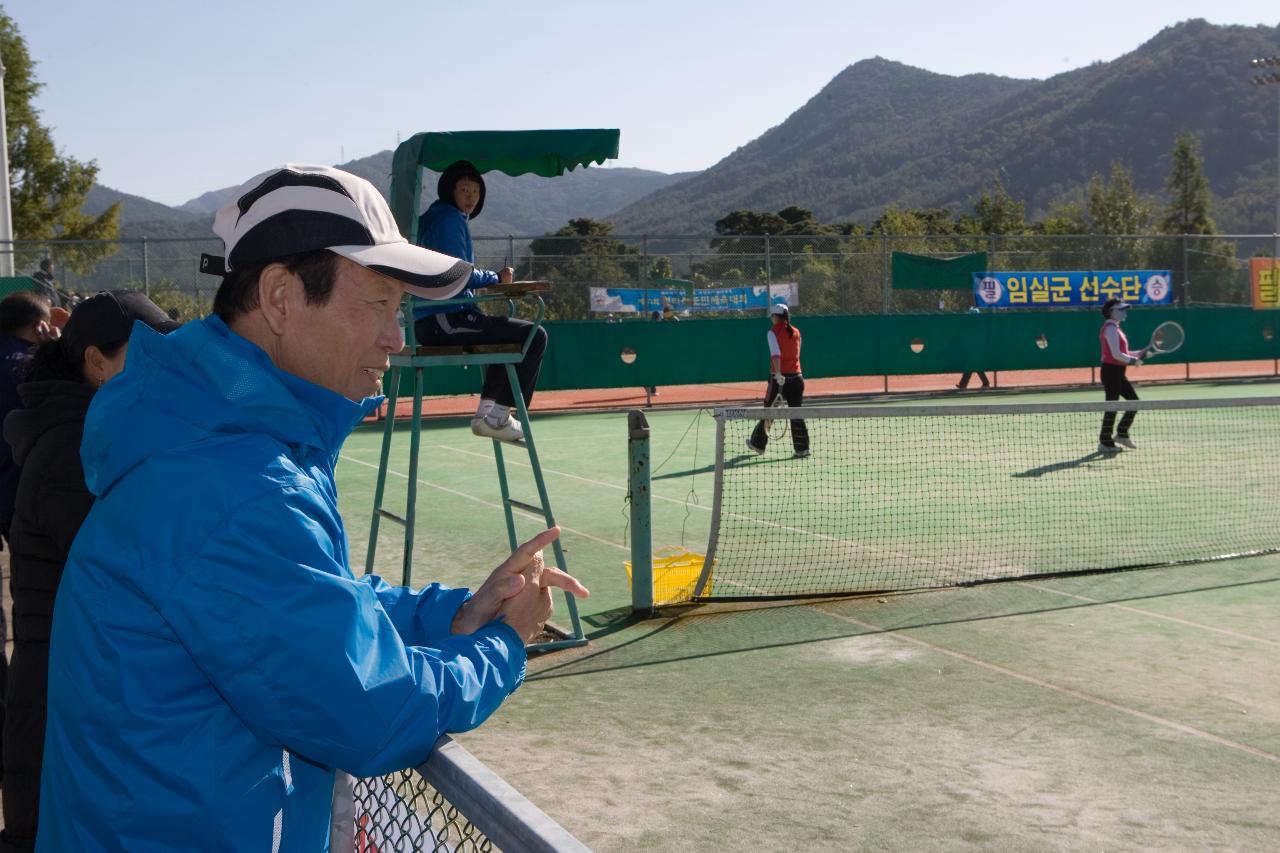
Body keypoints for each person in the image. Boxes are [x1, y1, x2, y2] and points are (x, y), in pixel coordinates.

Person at [37, 164, 589, 851]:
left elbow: (314, 607)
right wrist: (499, 646)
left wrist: (457, 615)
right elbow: (369, 708)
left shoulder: (227, 442)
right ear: (280, 298)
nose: (397, 337)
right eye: (381, 302)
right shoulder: (233, 482)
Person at [1, 291, 180, 850]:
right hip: (61, 707)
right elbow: (145, 568)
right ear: (95, 362)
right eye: (143, 355)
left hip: (75, 694)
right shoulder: (72, 448)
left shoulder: (90, 436)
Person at [413, 160, 547, 443]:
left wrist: (490, 280)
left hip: (434, 318)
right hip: (443, 319)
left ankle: (487, 416)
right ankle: (498, 417)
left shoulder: (437, 217)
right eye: (464, 189)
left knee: (505, 336)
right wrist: (494, 277)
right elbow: (456, 272)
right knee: (534, 335)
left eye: (475, 190)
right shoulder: (447, 218)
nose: (471, 196)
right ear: (450, 191)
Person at [747, 303, 810, 458]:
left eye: (772, 316)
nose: (771, 319)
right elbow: (797, 354)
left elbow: (776, 354)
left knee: (768, 411)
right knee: (796, 413)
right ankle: (802, 449)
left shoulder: (772, 332)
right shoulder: (797, 332)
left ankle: (757, 444)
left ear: (776, 316)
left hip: (779, 379)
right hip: (797, 378)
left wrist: (779, 374)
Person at [1097, 298, 1148, 453]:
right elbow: (1116, 354)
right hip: (1111, 371)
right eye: (1121, 310)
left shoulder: (1116, 328)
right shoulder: (1110, 328)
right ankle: (1105, 442)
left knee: (1133, 402)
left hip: (1118, 371)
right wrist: (1133, 360)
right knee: (1112, 406)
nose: (1125, 312)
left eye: (1125, 310)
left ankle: (1121, 434)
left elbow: (1123, 353)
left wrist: (1139, 353)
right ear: (1111, 312)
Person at [955, 307, 990, 389]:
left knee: (971, 365)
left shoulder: (979, 325)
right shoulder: (972, 325)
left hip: (978, 349)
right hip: (973, 349)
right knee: (974, 366)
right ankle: (985, 383)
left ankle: (964, 384)